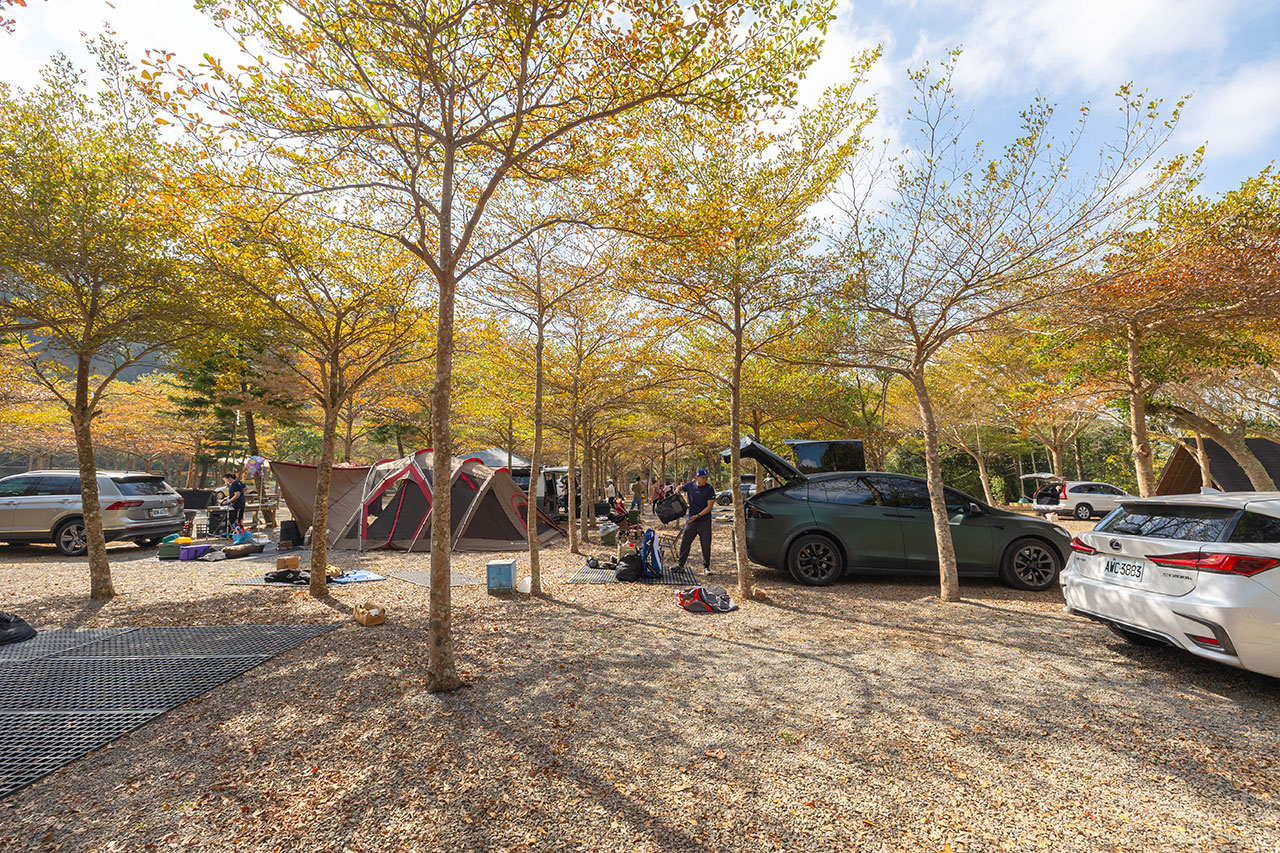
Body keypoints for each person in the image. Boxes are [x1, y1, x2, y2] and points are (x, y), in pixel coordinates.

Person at [675, 468, 716, 574]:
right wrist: (677, 489)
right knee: (685, 542)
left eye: (706, 477)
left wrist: (697, 516)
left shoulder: (709, 489)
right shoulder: (690, 485)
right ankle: (680, 565)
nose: (705, 480)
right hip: (692, 520)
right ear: (697, 477)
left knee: (705, 544)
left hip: (704, 521)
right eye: (703, 478)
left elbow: (709, 507)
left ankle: (706, 568)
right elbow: (681, 487)